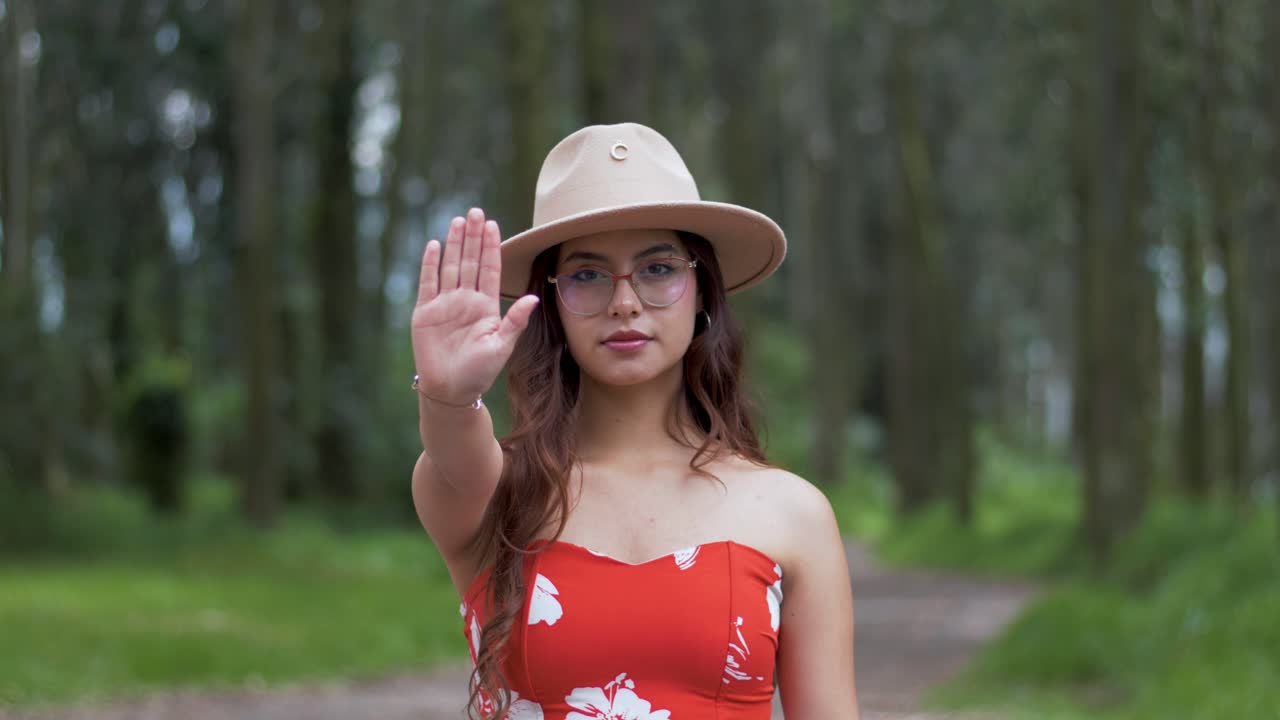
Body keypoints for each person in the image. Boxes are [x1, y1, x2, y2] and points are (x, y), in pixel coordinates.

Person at [409, 123, 857, 719]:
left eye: (657, 269)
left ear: (702, 289)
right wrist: (446, 393)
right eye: (588, 275)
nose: (625, 302)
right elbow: (454, 457)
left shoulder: (791, 512)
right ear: (551, 301)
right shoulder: (500, 491)